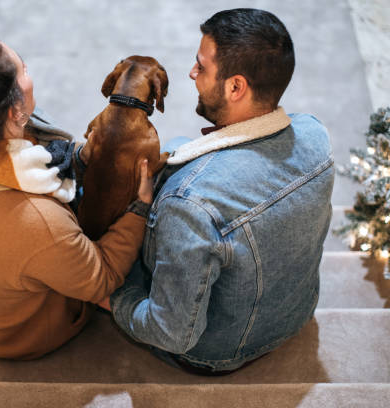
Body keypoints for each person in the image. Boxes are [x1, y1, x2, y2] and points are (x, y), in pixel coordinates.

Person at [107, 8, 335, 374]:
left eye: (201, 67)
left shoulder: (189, 204)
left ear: (235, 87)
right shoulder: (315, 136)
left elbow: (171, 333)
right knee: (179, 144)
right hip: (296, 316)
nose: (191, 73)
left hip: (216, 352)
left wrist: (114, 294)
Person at [0, 29, 153, 359]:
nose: (30, 72)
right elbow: (103, 276)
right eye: (23, 68)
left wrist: (78, 156)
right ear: (14, 114)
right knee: (149, 259)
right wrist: (140, 207)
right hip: (17, 335)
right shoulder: (40, 221)